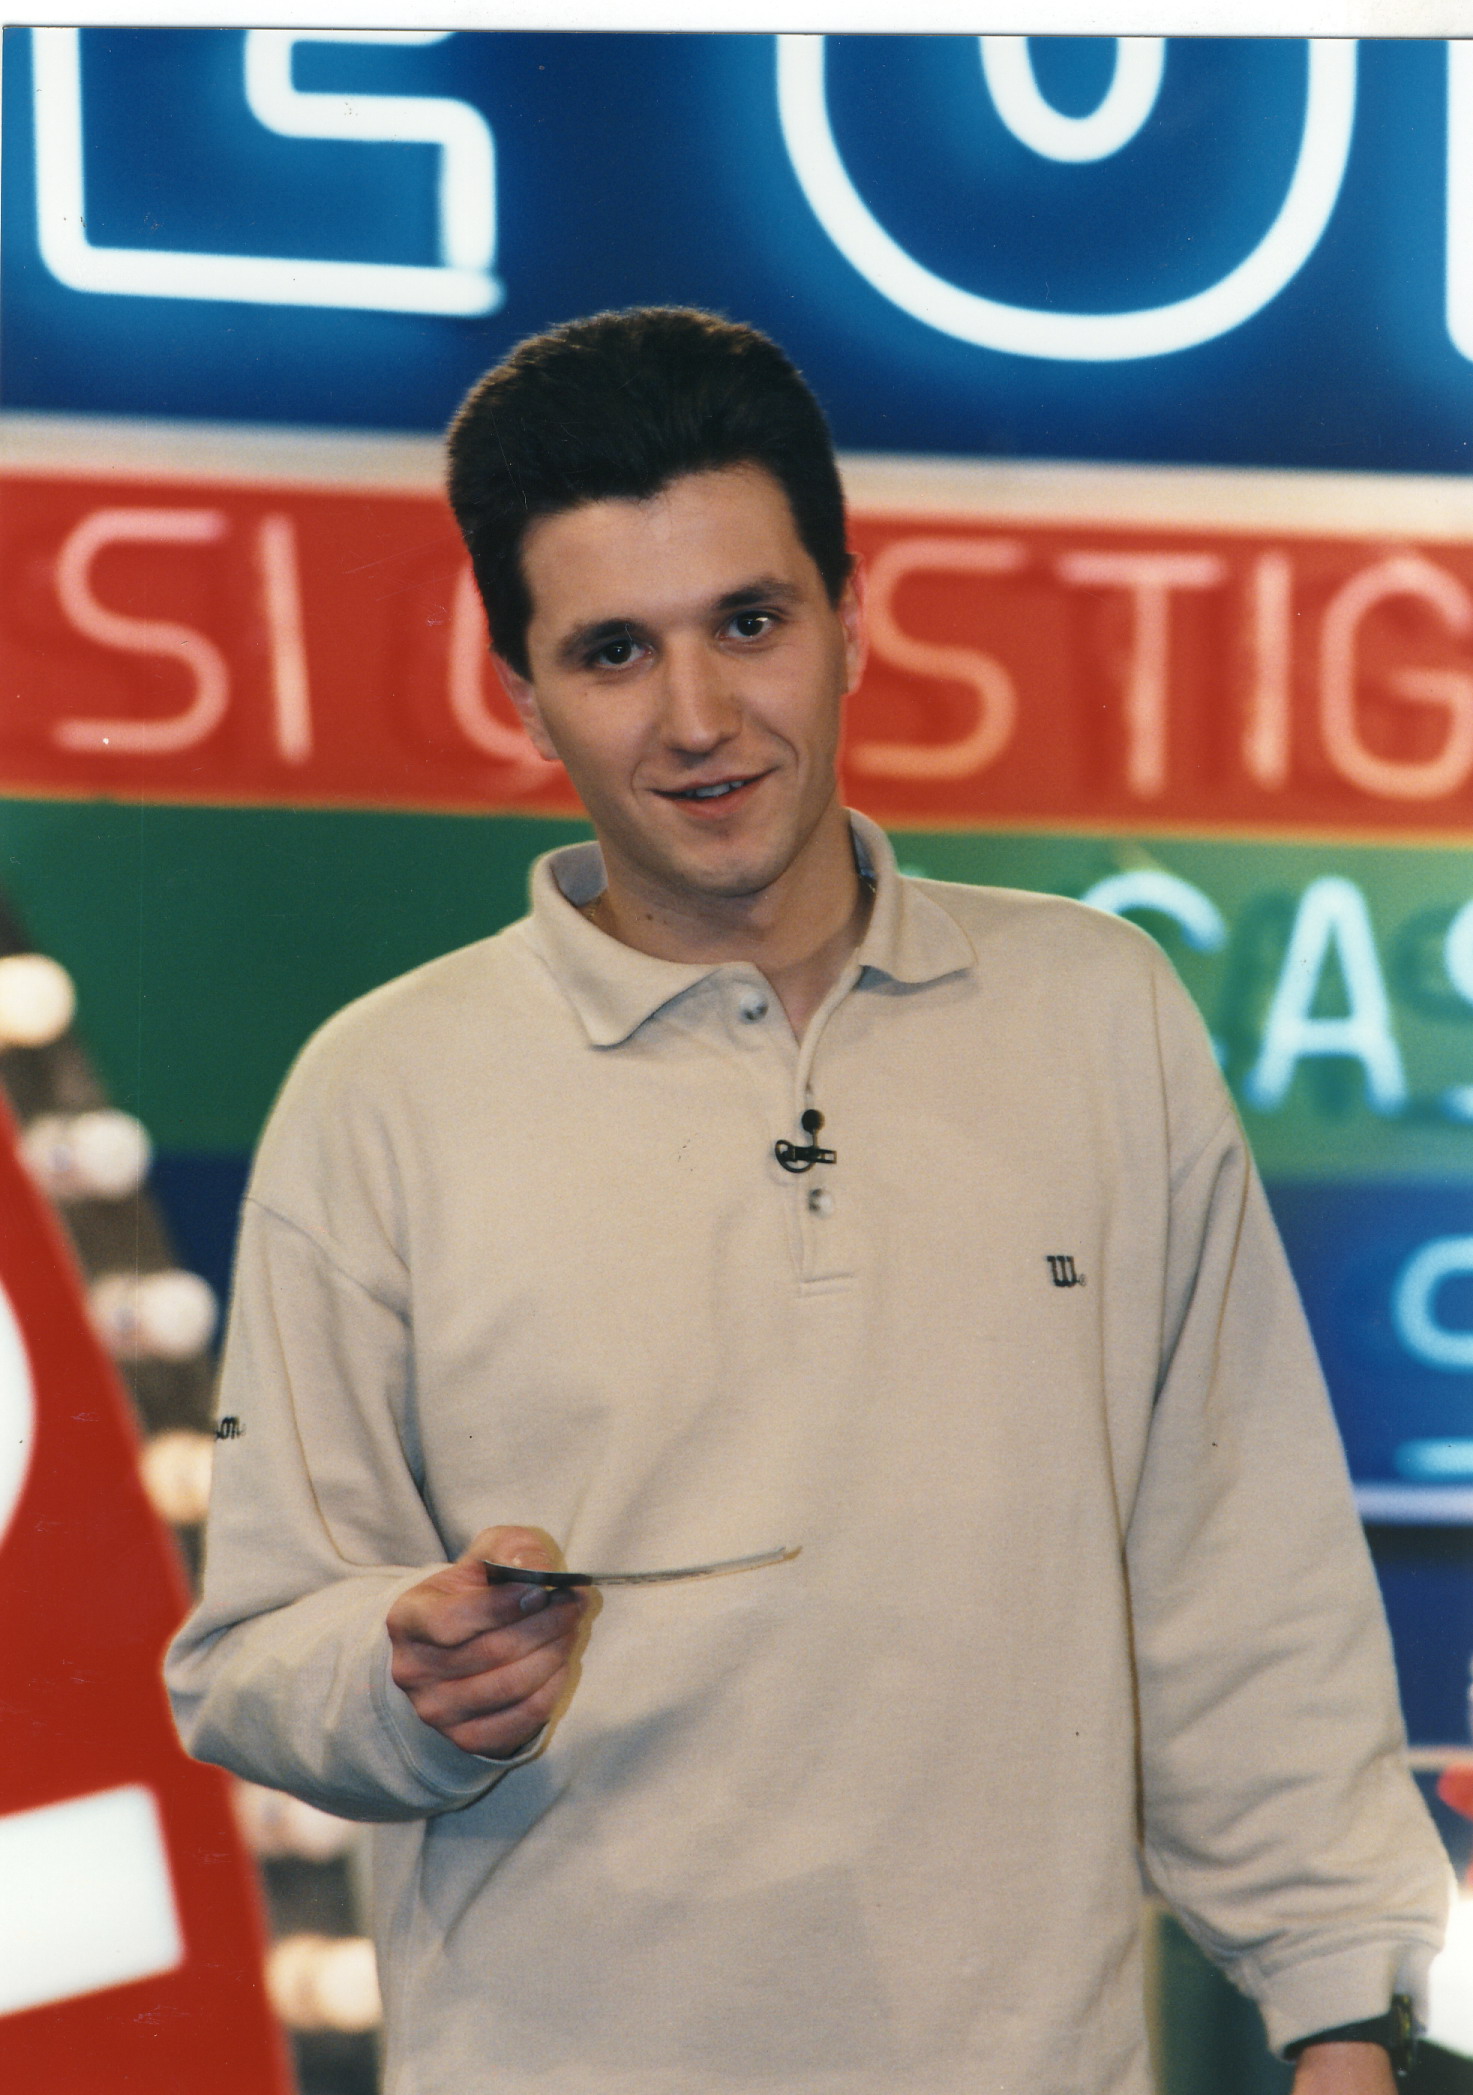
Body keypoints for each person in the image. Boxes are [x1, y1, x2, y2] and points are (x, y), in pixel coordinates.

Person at [167, 307, 1449, 2095]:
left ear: (852, 611)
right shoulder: (383, 1089)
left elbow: (1242, 1577)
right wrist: (401, 1680)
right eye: (613, 652)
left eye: (748, 623)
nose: (697, 718)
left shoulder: (1098, 1016)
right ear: (520, 689)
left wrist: (1341, 2014)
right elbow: (247, 1656)